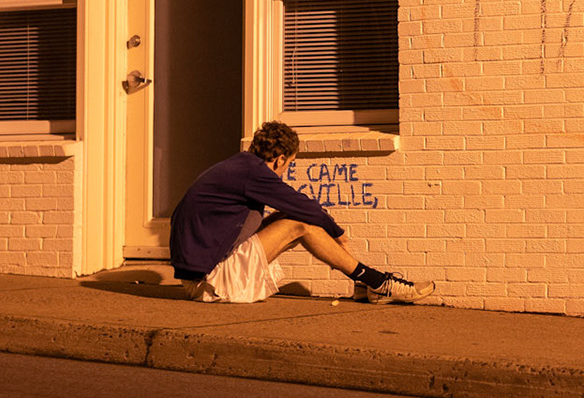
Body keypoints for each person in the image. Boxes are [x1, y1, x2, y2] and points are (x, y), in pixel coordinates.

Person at [169, 121, 433, 304]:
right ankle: (378, 283)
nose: (286, 170)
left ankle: (365, 285)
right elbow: (305, 207)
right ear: (281, 158)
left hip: (202, 274)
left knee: (291, 218)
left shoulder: (238, 166)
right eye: (290, 164)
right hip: (210, 282)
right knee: (299, 223)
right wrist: (339, 234)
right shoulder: (253, 173)